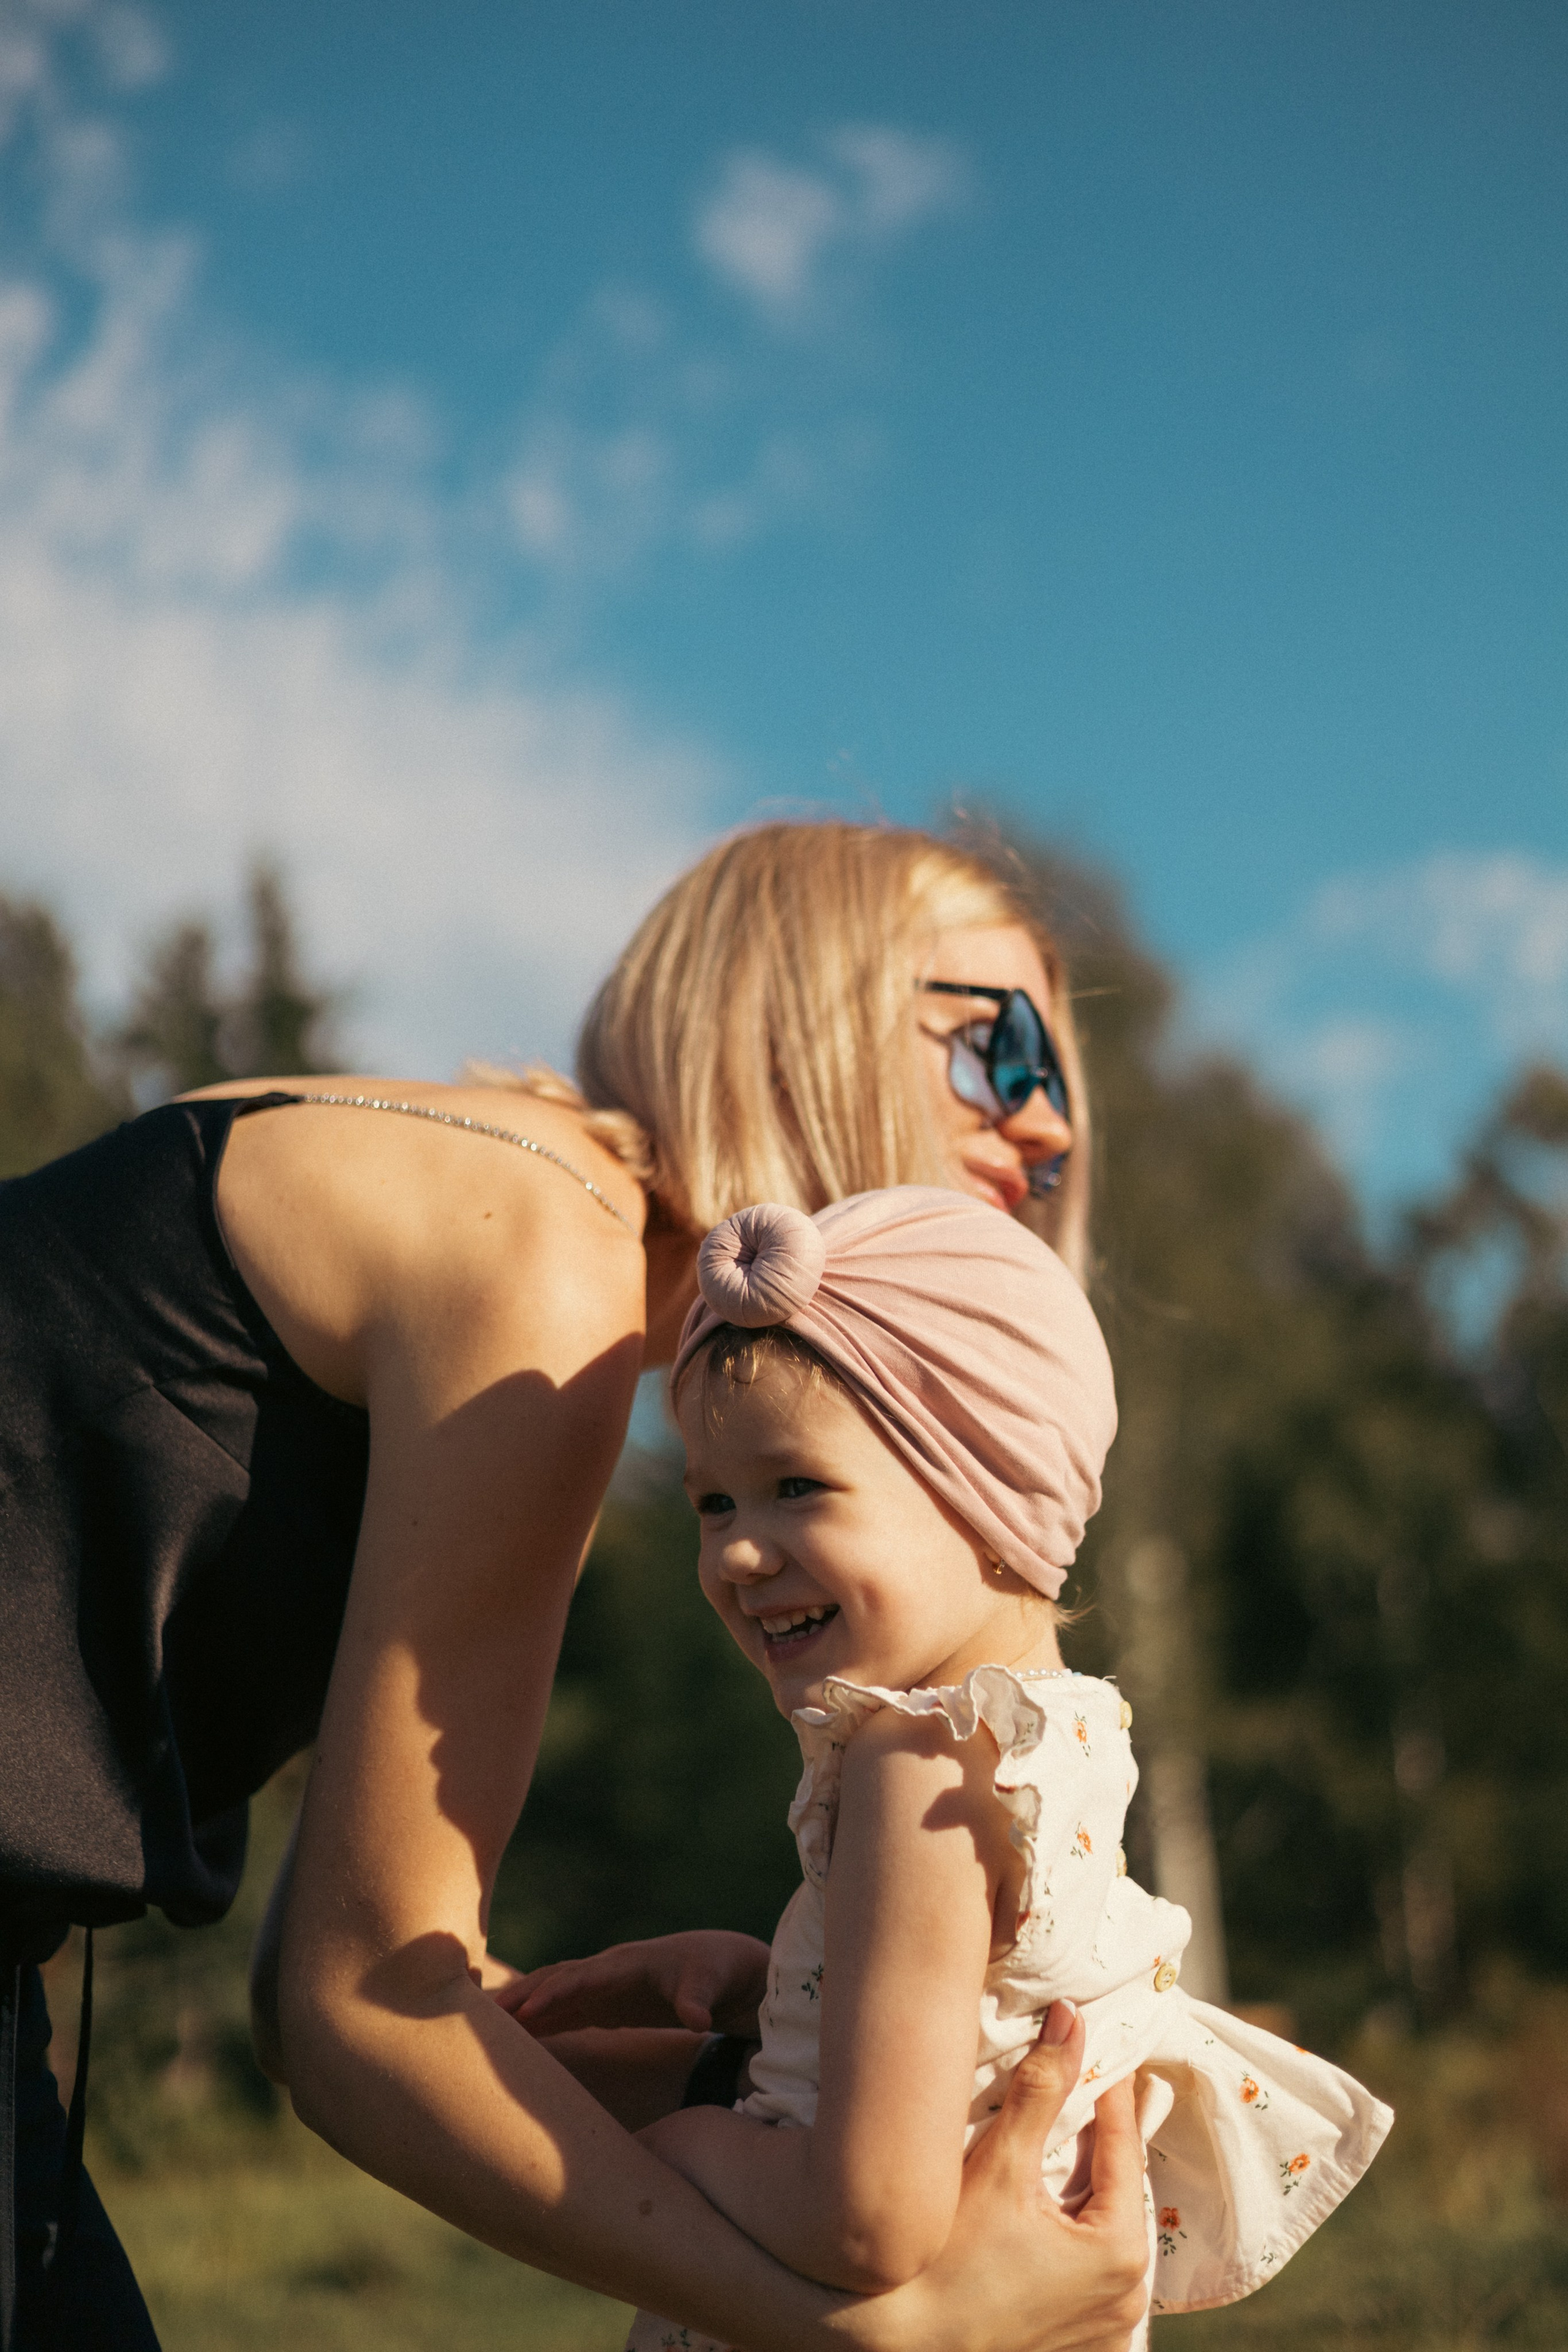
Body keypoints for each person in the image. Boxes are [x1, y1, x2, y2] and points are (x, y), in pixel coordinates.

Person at [0, 820, 1148, 2351]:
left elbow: (373, 1985)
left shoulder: (535, 1248)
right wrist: (869, 2327)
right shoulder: (543, 1250)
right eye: (992, 1047)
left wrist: (777, 2048)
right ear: (790, 1000)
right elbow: (354, 2019)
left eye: (1060, 1094)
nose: (1037, 1128)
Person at [513, 1189, 1392, 2351]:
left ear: (982, 1487)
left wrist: (677, 2140)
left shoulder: (912, 1764)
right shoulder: (1064, 1739)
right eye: (712, 1501)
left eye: (796, 1488)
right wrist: (786, 1991)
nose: (731, 1548)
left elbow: (871, 2222)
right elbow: (969, 2028)